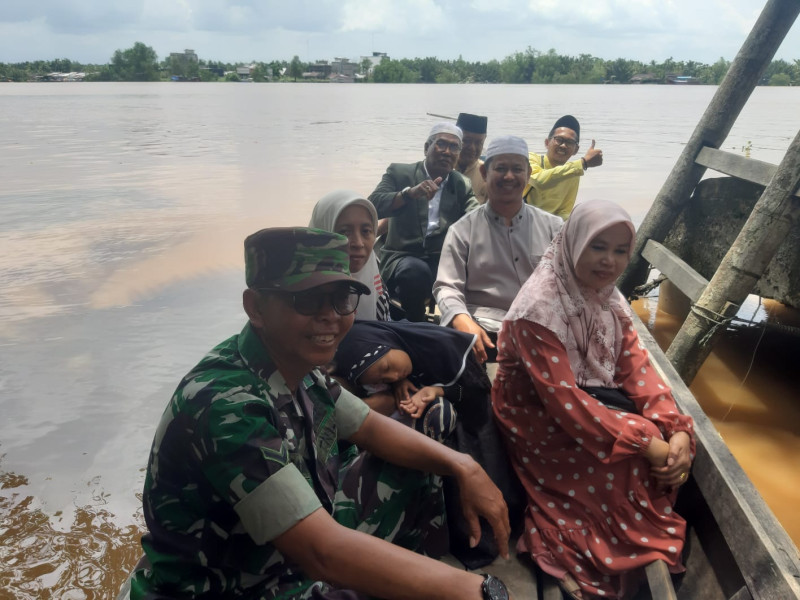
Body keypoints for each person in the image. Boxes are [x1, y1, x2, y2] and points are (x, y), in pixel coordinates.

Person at [119, 227, 512, 600]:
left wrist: (465, 467)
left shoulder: (299, 370)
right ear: (255, 307)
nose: (330, 316)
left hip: (291, 556)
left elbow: (370, 428)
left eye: (341, 298)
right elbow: (321, 552)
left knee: (430, 424)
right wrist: (475, 590)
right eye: (307, 300)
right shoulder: (226, 404)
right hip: (236, 586)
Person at [491, 200, 695, 600]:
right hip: (534, 411)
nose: (610, 261)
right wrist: (647, 442)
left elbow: (636, 366)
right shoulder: (539, 307)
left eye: (621, 251)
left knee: (659, 440)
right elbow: (562, 401)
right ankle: (584, 546)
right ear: (574, 243)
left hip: (586, 398)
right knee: (637, 447)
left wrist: (676, 428)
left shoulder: (606, 295)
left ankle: (624, 540)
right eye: (598, 247)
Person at [333, 319, 519, 570]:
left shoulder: (443, 348)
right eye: (382, 377)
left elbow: (476, 394)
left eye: (388, 366)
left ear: (388, 342)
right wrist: (398, 385)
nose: (393, 375)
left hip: (476, 430)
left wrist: (438, 391)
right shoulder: (393, 370)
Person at [434, 135, 562, 363]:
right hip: (483, 328)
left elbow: (570, 284)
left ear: (528, 174)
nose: (509, 176)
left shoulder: (554, 228)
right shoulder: (462, 230)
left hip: (541, 329)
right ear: (484, 174)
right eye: (501, 168)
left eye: (517, 169)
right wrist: (462, 319)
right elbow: (447, 287)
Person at [369, 122, 479, 322]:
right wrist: (408, 194)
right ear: (426, 147)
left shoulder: (461, 183)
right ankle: (416, 324)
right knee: (415, 272)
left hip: (441, 258)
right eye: (441, 144)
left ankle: (461, 324)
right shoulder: (399, 173)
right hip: (402, 255)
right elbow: (372, 205)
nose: (447, 152)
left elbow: (476, 215)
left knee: (475, 271)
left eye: (454, 147)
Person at [309, 189, 391, 321]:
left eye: (366, 231)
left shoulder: (377, 286)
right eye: (344, 232)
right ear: (323, 232)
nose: (358, 243)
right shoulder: (303, 291)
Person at [522, 115, 604, 220]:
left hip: (550, 227)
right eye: (559, 140)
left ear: (576, 150)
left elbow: (564, 211)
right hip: (522, 222)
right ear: (547, 143)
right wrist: (583, 163)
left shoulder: (573, 174)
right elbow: (538, 181)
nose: (563, 146)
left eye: (569, 142)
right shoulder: (531, 158)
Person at [456, 112, 489, 204]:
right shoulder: (440, 168)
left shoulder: (487, 175)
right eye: (466, 141)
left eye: (479, 143)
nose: (472, 148)